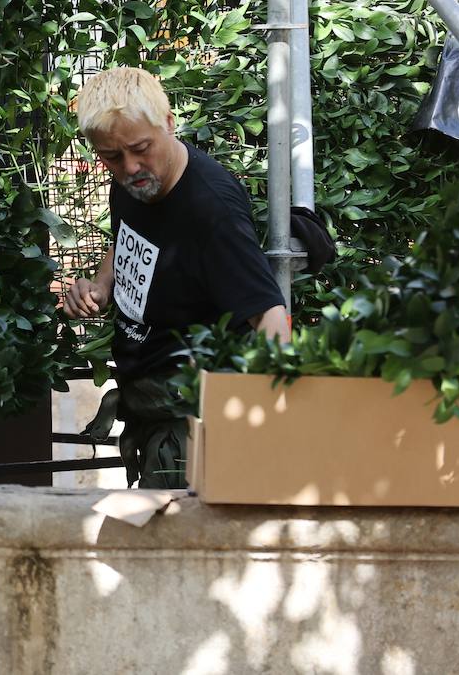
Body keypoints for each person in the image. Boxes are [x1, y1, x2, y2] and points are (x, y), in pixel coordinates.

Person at [62, 67, 291, 488]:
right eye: (112, 157)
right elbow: (125, 238)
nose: (130, 167)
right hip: (148, 410)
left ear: (169, 123)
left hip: (191, 428)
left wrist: (259, 433)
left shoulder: (211, 209)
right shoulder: (131, 183)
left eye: (140, 149)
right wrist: (100, 285)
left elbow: (271, 319)